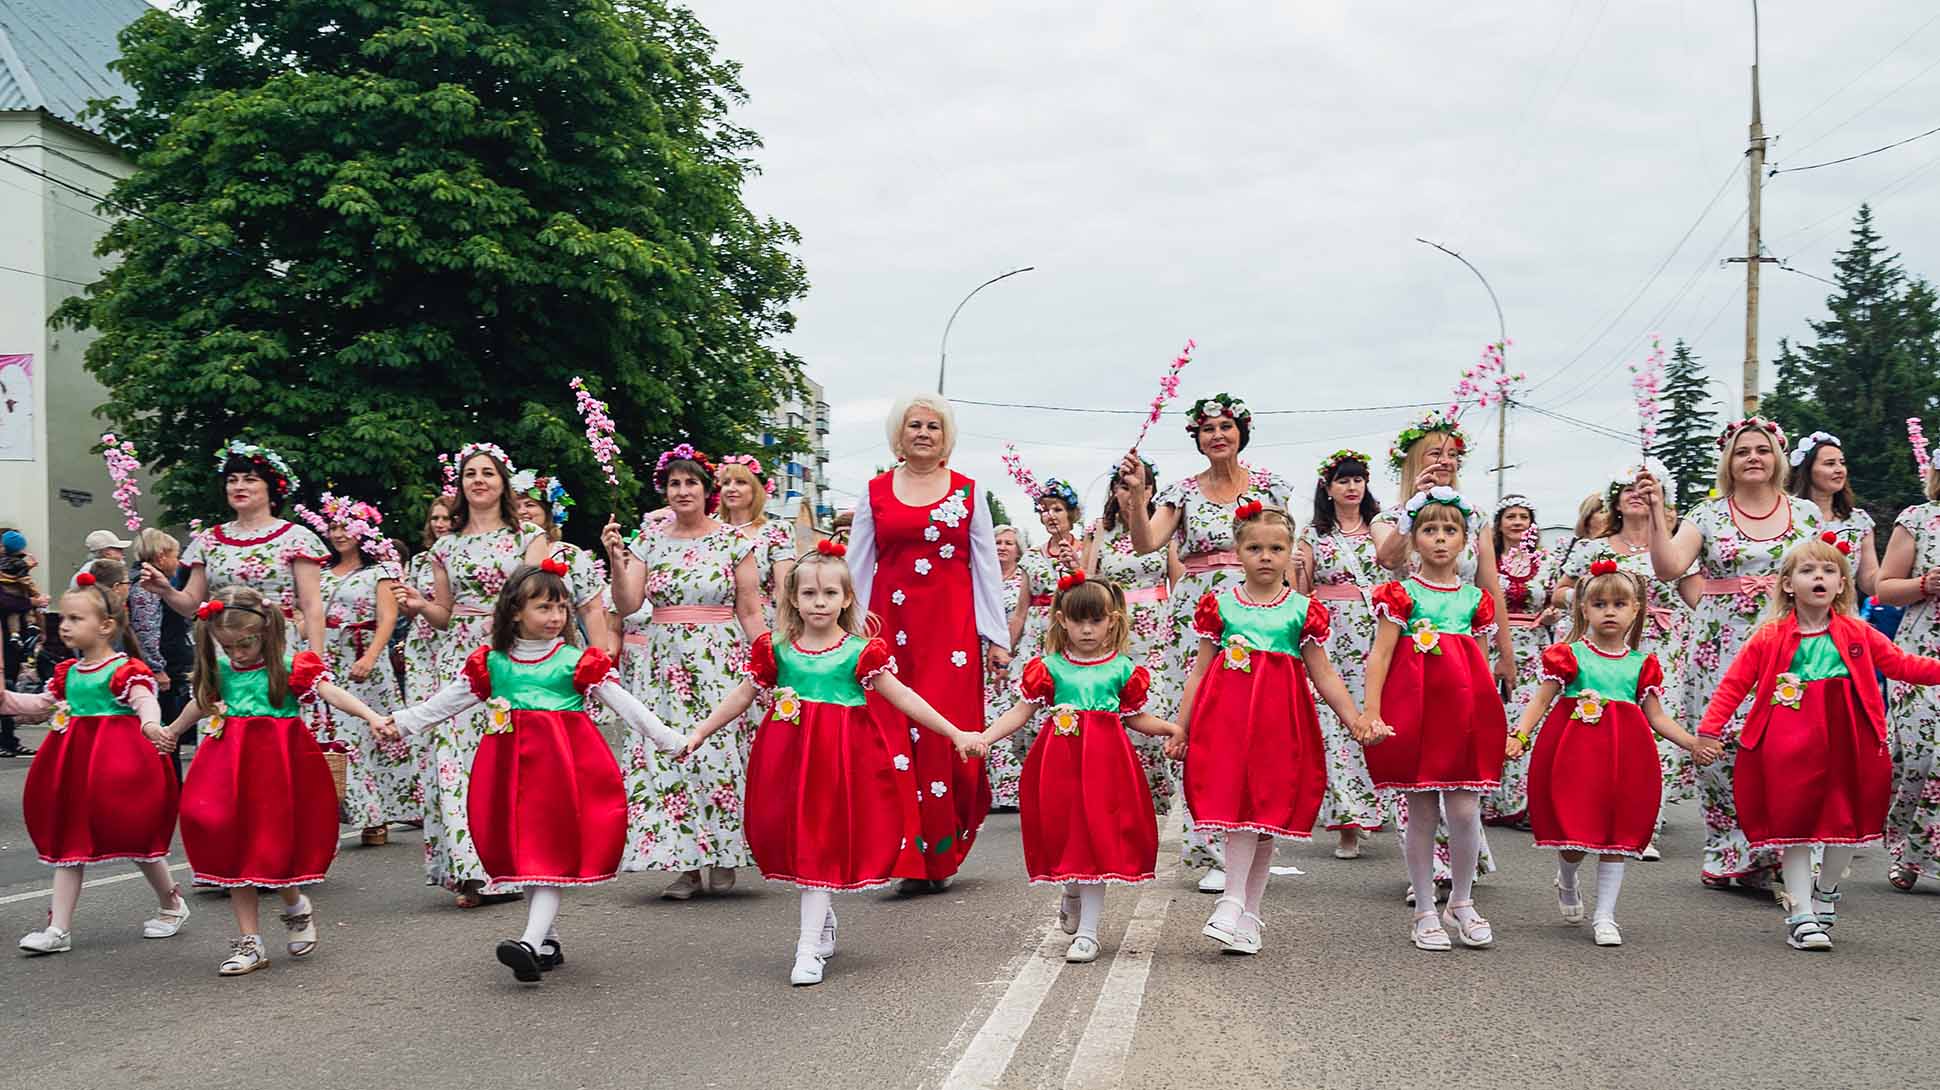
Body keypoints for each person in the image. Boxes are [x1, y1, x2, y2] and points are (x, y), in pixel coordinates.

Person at [685, 543, 982, 984]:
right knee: (803, 841)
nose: (819, 602)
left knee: (821, 842)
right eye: (808, 594)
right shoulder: (777, 650)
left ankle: (807, 949)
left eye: (828, 593)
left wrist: (955, 732)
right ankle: (821, 925)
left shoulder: (860, 651)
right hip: (788, 760)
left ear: (845, 599)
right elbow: (743, 695)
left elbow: (902, 696)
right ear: (793, 600)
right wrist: (699, 732)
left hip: (842, 762)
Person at [392, 561, 683, 983]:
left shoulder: (575, 661)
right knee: (527, 852)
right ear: (514, 611)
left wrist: (667, 738)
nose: (557, 617)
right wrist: (402, 722)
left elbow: (624, 703)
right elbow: (446, 702)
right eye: (545, 608)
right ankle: (545, 940)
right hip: (510, 771)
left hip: (562, 773)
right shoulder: (491, 662)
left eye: (562, 608)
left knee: (545, 852)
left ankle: (528, 942)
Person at [1696, 535, 1940, 950]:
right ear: (1789, 584)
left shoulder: (1857, 632)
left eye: (1829, 571)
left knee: (1843, 825)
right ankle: (1801, 912)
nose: (1820, 577)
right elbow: (1733, 685)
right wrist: (1708, 731)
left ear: (1842, 584)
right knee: (1796, 827)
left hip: (1850, 741)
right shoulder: (1770, 636)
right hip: (1788, 744)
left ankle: (1826, 893)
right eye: (1808, 571)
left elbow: (1902, 665)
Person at [154, 584, 388, 976]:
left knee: (271, 845)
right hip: (227, 764)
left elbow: (332, 693)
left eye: (242, 645)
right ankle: (250, 943)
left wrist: (372, 716)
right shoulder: (223, 669)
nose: (235, 654)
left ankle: (295, 905)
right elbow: (202, 702)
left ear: (264, 632)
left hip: (277, 770)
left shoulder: (291, 665)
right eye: (227, 647)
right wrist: (173, 730)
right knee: (232, 845)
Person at [1117, 393, 1294, 892]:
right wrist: (1135, 501)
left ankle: (1251, 837)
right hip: (1196, 614)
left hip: (1256, 611)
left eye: (1226, 426)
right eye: (1207, 428)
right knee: (1189, 722)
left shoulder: (1270, 487)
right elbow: (1146, 544)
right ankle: (1207, 848)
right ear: (1196, 438)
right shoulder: (1180, 492)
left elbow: (1287, 551)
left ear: (1241, 432)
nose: (1218, 435)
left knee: (1249, 723)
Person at [1174, 503, 1366, 955]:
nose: (1265, 556)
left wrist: (1355, 718)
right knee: (1239, 809)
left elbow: (1324, 674)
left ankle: (1249, 915)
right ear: (1238, 552)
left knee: (1264, 820)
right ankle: (1232, 900)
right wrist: (1181, 728)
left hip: (1281, 724)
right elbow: (1199, 673)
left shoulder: (1303, 611)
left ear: (1291, 553)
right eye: (1255, 547)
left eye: (1276, 548)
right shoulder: (1219, 607)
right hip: (1227, 723)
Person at [1643, 416, 1820, 888]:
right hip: (1718, 646)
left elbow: (1825, 577)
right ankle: (1730, 849)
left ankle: (1785, 849)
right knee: (1721, 747)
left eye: (1762, 450)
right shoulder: (1707, 514)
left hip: (1791, 644)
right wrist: (1659, 513)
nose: (1753, 458)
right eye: (1743, 451)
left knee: (1788, 744)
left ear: (1777, 458)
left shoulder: (1806, 515)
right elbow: (1669, 568)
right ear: (1729, 461)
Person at [845, 396, 1010, 893]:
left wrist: (996, 639)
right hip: (887, 632)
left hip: (952, 635)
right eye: (913, 425)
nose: (923, 432)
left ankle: (942, 849)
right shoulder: (875, 493)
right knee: (894, 735)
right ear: (898, 435)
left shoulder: (968, 493)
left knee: (949, 736)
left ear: (947, 435)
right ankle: (908, 856)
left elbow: (985, 569)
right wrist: (846, 632)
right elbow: (855, 564)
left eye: (933, 426)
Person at [1508, 561, 1718, 947]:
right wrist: (1519, 735)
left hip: (1625, 757)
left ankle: (1606, 915)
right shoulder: (1569, 656)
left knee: (1616, 834)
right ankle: (1567, 877)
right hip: (1575, 756)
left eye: (1619, 604)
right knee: (1573, 839)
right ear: (1584, 609)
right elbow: (1541, 700)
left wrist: (1691, 742)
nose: (1609, 611)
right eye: (1600, 604)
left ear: (1636, 610)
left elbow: (1656, 717)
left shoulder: (1643, 664)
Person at [983, 572, 1178, 963]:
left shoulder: (1122, 669)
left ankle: (1088, 933)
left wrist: (1171, 728)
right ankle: (1070, 889)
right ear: (1062, 621)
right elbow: (1020, 714)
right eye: (1079, 621)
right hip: (1059, 764)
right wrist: (985, 737)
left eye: (1096, 620)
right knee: (1065, 833)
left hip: (1107, 767)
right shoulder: (1049, 668)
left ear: (1112, 621)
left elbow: (1136, 717)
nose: (1087, 630)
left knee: (1097, 840)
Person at [603, 444, 764, 899]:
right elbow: (628, 603)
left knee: (716, 755)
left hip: (719, 660)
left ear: (706, 489)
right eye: (674, 483)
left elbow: (750, 611)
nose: (682, 490)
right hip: (662, 663)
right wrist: (617, 560)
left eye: (691, 481)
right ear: (665, 490)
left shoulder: (735, 542)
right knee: (668, 757)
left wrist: (766, 661)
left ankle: (723, 855)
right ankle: (686, 864)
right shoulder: (649, 540)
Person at [394, 443, 550, 906]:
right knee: (455, 763)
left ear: (503, 482)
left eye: (487, 473)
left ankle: (511, 863)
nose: (478, 480)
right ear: (460, 487)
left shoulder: (528, 536)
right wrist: (420, 605)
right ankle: (470, 867)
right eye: (469, 475)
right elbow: (443, 614)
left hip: (510, 654)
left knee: (507, 760)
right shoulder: (446, 546)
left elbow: (540, 599)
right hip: (459, 657)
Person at [10, 574, 187, 955]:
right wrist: (7, 699)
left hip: (120, 769)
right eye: (63, 619)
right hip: (75, 769)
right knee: (70, 841)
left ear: (106, 626)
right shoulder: (67, 674)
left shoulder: (125, 670)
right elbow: (38, 706)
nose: (65, 625)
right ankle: (58, 928)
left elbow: (144, 700)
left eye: (76, 619)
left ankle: (171, 903)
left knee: (139, 840)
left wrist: (152, 724)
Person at [1363, 487, 1508, 951]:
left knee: (1465, 811)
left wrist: (1490, 722)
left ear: (1465, 539)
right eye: (1429, 530)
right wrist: (1372, 711)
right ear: (1413, 538)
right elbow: (1381, 656)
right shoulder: (1400, 595)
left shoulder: (1475, 600)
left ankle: (1461, 902)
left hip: (1463, 717)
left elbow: (1480, 670)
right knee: (1422, 812)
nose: (1440, 539)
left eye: (1450, 530)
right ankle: (1425, 909)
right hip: (1416, 714)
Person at [1556, 460, 1697, 860]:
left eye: (1646, 489)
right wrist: (1590, 603)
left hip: (1663, 651)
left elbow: (1700, 597)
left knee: (1655, 738)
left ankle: (1643, 825)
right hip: (1605, 652)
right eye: (1628, 488)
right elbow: (1559, 593)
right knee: (1606, 735)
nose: (1636, 494)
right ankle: (1593, 818)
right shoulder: (1592, 549)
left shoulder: (1674, 548)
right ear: (1616, 499)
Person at [139, 441, 329, 653]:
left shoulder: (296, 538)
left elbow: (312, 606)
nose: (239, 486)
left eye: (250, 480)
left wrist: (315, 659)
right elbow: (192, 604)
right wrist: (166, 590)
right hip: (222, 650)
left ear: (272, 488)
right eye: (232, 480)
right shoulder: (210, 539)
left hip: (275, 648)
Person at [1296, 450, 1388, 858]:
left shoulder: (1382, 529)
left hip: (1376, 631)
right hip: (1332, 632)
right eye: (1343, 481)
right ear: (1328, 488)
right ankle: (1347, 821)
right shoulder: (1313, 534)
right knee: (1335, 723)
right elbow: (1302, 592)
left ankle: (1378, 805)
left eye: (1358, 480)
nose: (1352, 487)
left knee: (1375, 712)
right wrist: (1297, 569)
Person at [1082, 457, 1183, 823]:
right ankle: (1123, 805)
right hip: (1113, 635)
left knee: (1149, 720)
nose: (1129, 493)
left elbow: (1179, 582)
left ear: (1151, 490)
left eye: (1138, 486)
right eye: (1122, 486)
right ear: (1114, 490)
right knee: (1115, 720)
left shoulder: (1162, 529)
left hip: (1156, 634)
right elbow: (1088, 582)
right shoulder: (1099, 531)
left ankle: (1158, 798)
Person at [305, 495, 408, 846]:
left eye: (345, 526)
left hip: (364, 657)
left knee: (368, 737)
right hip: (328, 657)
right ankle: (347, 811)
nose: (338, 534)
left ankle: (377, 815)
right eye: (332, 527)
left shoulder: (381, 570)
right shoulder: (319, 572)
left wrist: (371, 657)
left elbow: (388, 617)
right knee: (336, 739)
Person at [1880, 452, 1940, 891]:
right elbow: (1884, 588)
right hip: (1920, 654)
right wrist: (1924, 584)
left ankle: (1926, 856)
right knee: (1918, 757)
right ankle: (1905, 845)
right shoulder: (1917, 519)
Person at [1485, 494, 1561, 826]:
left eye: (1524, 517)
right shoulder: (1488, 561)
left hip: (1535, 648)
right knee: (1495, 719)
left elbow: (1558, 598)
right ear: (1499, 524)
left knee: (1529, 721)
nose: (1518, 522)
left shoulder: (1546, 561)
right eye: (1511, 516)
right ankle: (1493, 801)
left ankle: (1524, 803)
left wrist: (1551, 615)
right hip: (1493, 645)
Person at [510, 470, 611, 649]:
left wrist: (599, 656)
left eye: (530, 505)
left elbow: (591, 609)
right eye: (516, 507)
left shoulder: (569, 554)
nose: (522, 511)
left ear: (547, 511)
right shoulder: (503, 554)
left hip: (565, 649)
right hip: (514, 647)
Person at [129, 528, 195, 775]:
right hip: (161, 669)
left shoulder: (154, 583)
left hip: (169, 663)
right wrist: (156, 668)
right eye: (175, 556)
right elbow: (147, 629)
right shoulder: (146, 586)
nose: (178, 562)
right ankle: (167, 782)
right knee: (163, 732)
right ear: (160, 556)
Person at [1790, 432, 1879, 596]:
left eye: (1842, 463)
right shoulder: (1786, 515)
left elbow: (1869, 582)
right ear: (1807, 470)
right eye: (1830, 463)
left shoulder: (1859, 520)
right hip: (1794, 615)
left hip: (1843, 616)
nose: (1839, 469)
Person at [716, 455, 796, 628]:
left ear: (756, 490)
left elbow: (785, 590)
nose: (731, 488)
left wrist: (784, 636)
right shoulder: (709, 528)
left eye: (740, 482)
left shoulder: (775, 530)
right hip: (713, 624)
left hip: (758, 623)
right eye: (726, 483)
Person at [984, 525, 1028, 809]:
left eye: (1008, 543)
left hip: (1016, 655)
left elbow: (1025, 616)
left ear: (1018, 549)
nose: (1002, 547)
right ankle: (989, 791)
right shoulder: (983, 579)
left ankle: (1013, 792)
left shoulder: (1023, 579)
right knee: (987, 720)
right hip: (983, 658)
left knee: (1012, 719)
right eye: (997, 542)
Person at [1, 527, 48, 757]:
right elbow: (5, 602)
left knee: (8, 685)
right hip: (5, 638)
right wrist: (31, 602)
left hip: (10, 642)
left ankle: (8, 740)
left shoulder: (11, 567)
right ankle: (6, 740)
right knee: (5, 687)